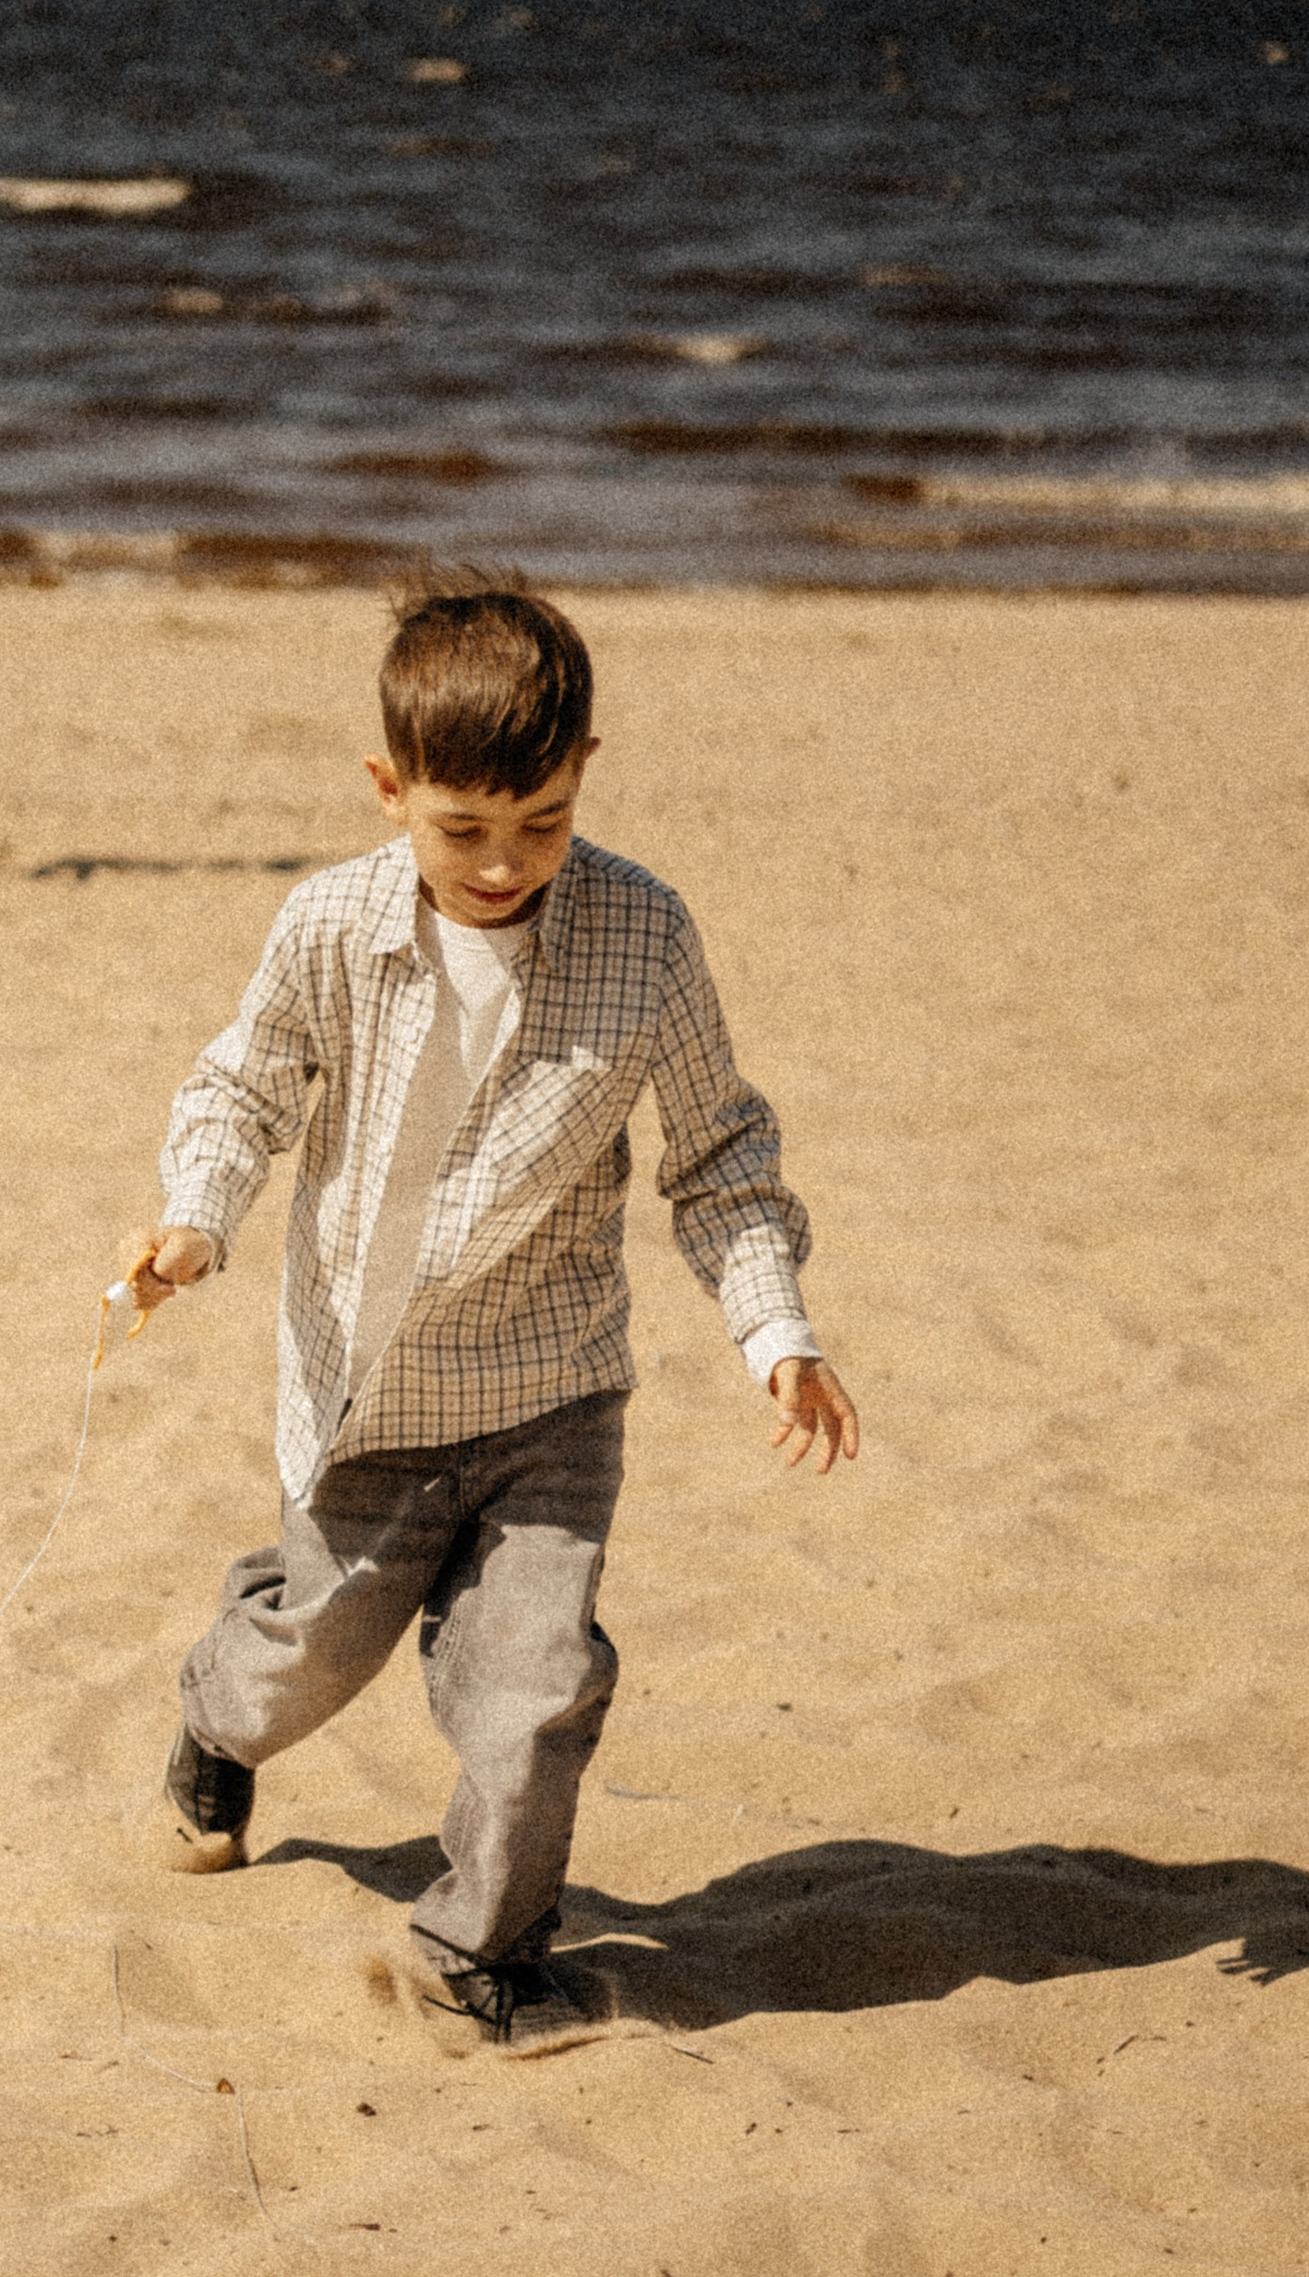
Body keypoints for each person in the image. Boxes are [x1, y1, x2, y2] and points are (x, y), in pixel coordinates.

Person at [119, 580, 859, 2048]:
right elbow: (242, 1086)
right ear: (391, 790)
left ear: (585, 770)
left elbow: (720, 1155)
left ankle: (481, 1954)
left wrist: (776, 1333)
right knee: (302, 1667)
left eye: (544, 822)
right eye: (464, 830)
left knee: (537, 1690)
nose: (506, 864)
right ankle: (215, 1718)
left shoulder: (647, 936)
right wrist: (196, 1217)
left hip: (551, 1401)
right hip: (365, 1401)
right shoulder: (327, 924)